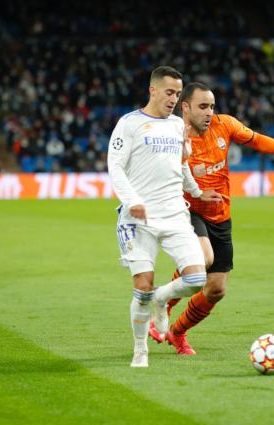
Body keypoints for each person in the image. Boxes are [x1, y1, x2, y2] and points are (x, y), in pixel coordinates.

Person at [148, 82, 274, 355]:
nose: (209, 112)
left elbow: (256, 139)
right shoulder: (170, 135)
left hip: (220, 213)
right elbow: (156, 172)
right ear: (185, 107)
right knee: (203, 259)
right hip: (187, 209)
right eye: (203, 106)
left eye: (212, 106)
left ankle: (178, 332)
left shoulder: (226, 125)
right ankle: (164, 302)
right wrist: (191, 172)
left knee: (216, 289)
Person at [108, 67, 222, 368]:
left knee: (197, 277)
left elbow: (181, 165)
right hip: (138, 220)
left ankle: (162, 299)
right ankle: (140, 351)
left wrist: (196, 192)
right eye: (169, 92)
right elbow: (115, 167)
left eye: (177, 93)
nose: (174, 98)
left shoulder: (176, 126)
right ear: (153, 91)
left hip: (174, 215)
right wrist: (131, 200)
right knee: (142, 286)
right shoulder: (129, 124)